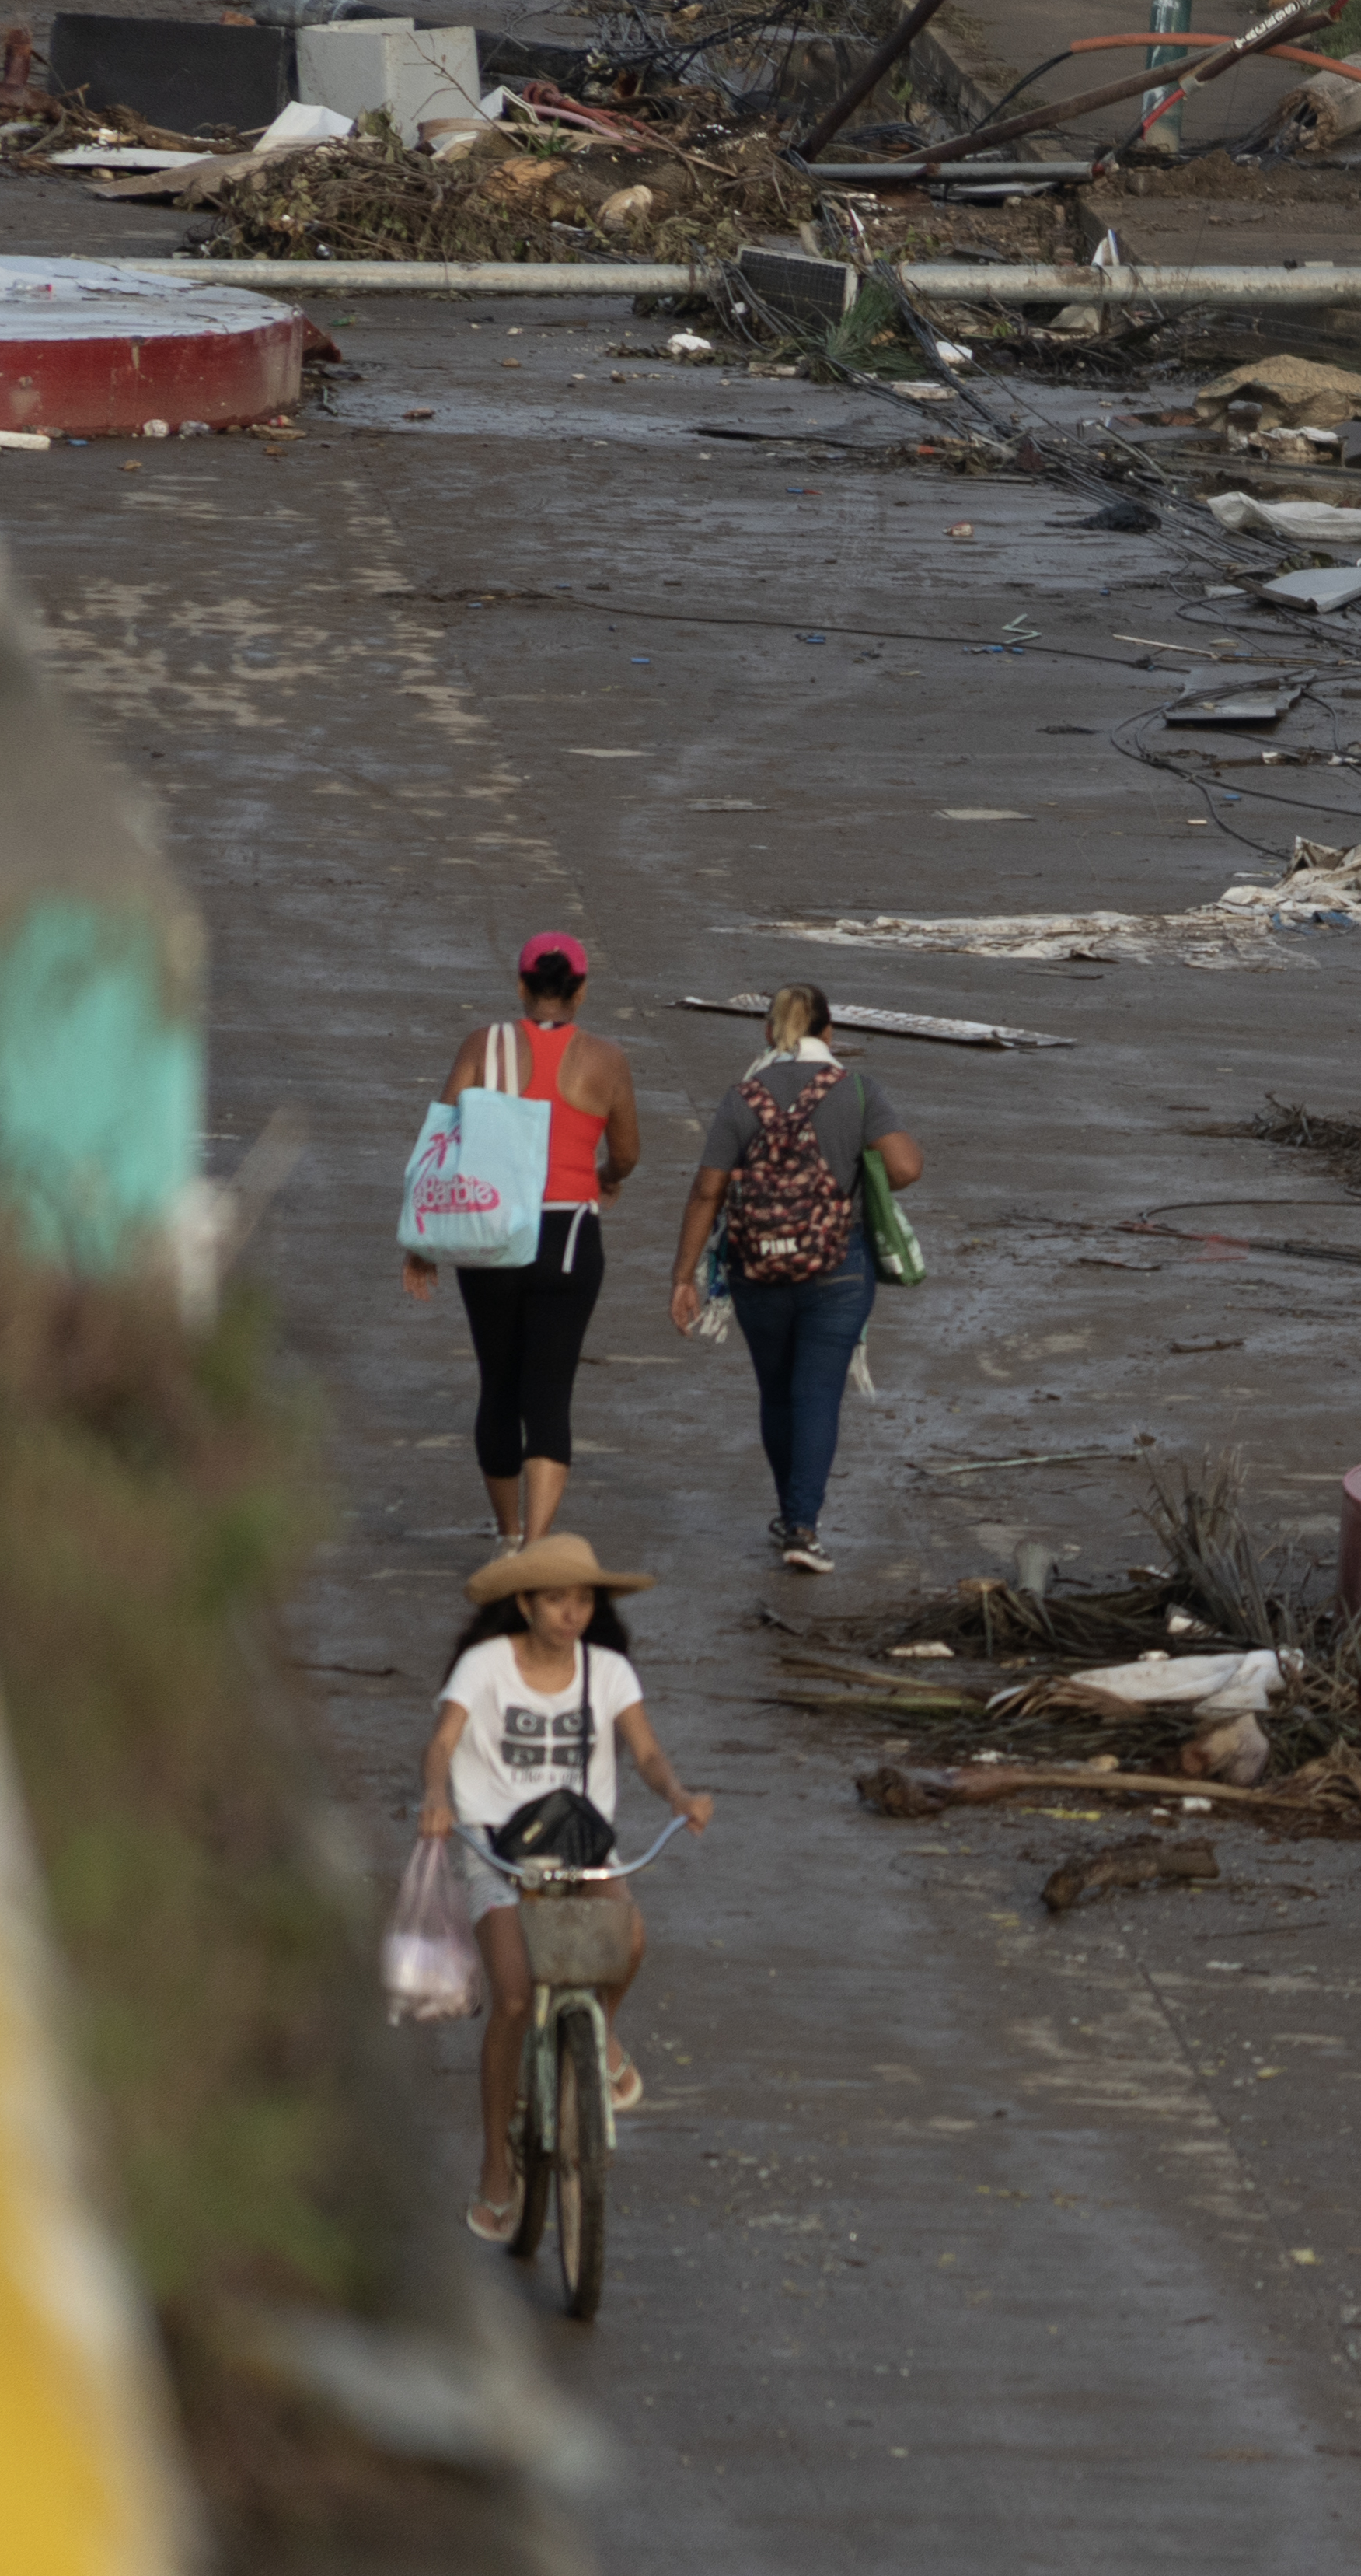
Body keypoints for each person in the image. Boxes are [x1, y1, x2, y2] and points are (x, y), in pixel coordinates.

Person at [419, 1532, 711, 2245]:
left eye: (581, 1600)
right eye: (556, 1600)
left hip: (580, 1844)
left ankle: (600, 2032)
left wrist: (675, 1792)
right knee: (515, 1994)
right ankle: (496, 2164)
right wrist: (436, 1796)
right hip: (494, 1846)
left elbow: (643, 1749)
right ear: (525, 1603)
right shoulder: (486, 1666)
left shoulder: (606, 1671)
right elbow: (443, 1742)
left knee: (628, 1937)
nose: (570, 1614)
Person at [668, 984, 920, 1576]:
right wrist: (859, 1176)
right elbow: (906, 1166)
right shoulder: (857, 1091)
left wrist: (684, 1277)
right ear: (829, 1035)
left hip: (755, 1268)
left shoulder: (742, 1098)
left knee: (778, 1392)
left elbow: (709, 1189)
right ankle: (803, 1526)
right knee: (818, 1392)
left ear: (768, 1035)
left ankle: (791, 1514)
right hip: (837, 1267)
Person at [401, 931, 641, 1548]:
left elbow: (442, 1138)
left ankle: (508, 1537)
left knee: (498, 1386)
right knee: (551, 1394)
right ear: (582, 992)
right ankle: (538, 1544)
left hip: (491, 1231)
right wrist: (606, 1179)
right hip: (568, 1234)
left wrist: (422, 1240)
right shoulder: (607, 1059)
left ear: (520, 986)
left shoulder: (485, 1045)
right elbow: (628, 1154)